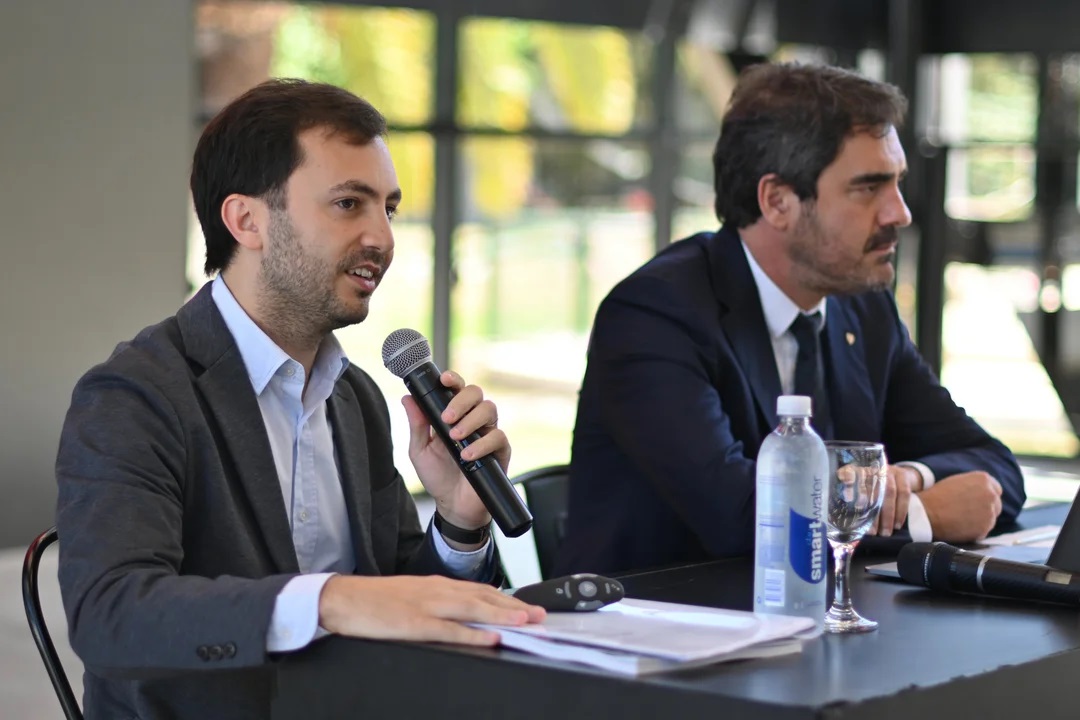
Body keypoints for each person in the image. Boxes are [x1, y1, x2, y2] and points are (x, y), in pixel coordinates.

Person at [55, 79, 544, 720]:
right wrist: (329, 600)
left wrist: (458, 520)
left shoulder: (356, 397)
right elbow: (111, 616)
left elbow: (401, 598)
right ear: (246, 221)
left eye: (389, 209)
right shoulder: (136, 394)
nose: (383, 237)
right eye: (348, 204)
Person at [558, 62, 1025, 576]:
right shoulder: (656, 314)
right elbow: (739, 516)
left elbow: (994, 467)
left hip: (819, 614)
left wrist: (911, 478)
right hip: (660, 616)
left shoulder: (862, 307)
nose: (900, 213)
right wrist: (920, 515)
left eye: (897, 183)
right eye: (869, 188)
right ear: (777, 201)